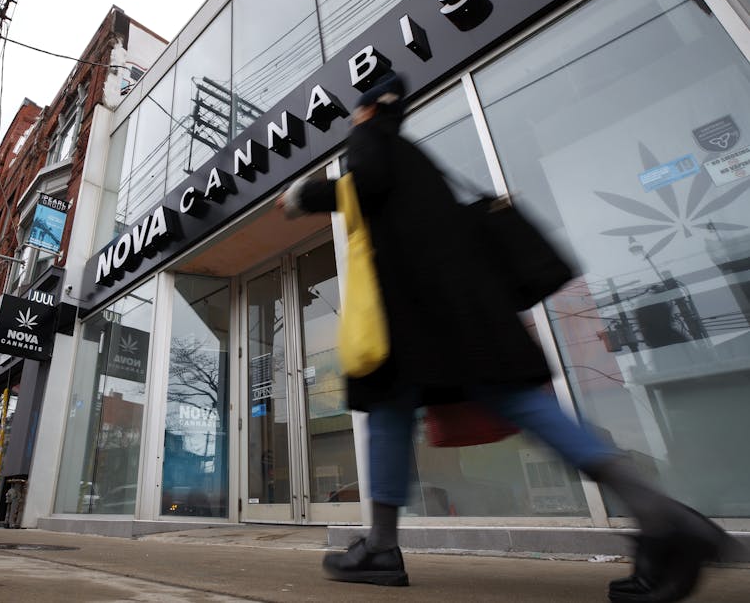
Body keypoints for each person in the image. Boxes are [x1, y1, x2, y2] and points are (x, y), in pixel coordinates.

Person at [277, 72, 738, 601]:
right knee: (459, 407)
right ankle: (661, 519)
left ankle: (664, 522)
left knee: (399, 407)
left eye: (359, 115)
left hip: (418, 318)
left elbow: (366, 181)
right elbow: (372, 190)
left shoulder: (371, 139)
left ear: (366, 112)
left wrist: (301, 195)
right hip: (459, 315)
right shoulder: (416, 161)